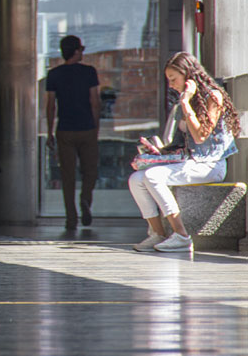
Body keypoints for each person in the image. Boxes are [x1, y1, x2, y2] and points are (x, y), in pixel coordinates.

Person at [128, 52, 240, 252]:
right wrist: (159, 153)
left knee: (153, 176)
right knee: (136, 179)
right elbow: (181, 143)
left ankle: (181, 236)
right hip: (190, 162)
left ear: (188, 75)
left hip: (210, 165)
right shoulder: (184, 101)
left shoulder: (212, 96)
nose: (171, 85)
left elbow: (201, 136)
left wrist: (186, 103)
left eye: (173, 79)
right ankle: (157, 234)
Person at [45, 35, 101, 231]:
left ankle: (71, 218)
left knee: (67, 175)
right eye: (81, 49)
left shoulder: (54, 74)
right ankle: (85, 199)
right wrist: (95, 127)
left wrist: (49, 132)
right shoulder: (89, 72)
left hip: (65, 130)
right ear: (76, 51)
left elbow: (51, 106)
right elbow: (95, 102)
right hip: (87, 128)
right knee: (90, 171)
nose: (82, 52)